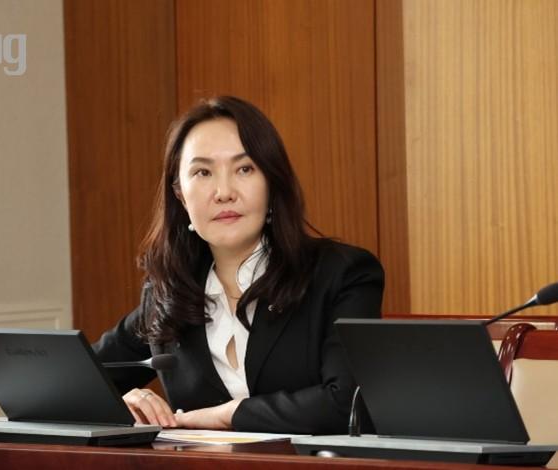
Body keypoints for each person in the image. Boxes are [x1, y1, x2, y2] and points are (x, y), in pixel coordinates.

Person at [92, 96, 384, 434]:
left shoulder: (343, 274)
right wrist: (126, 401)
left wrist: (229, 415)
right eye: (203, 172)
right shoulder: (168, 294)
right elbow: (68, 385)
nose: (224, 192)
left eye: (244, 169)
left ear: (272, 183)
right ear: (180, 195)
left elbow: (348, 403)